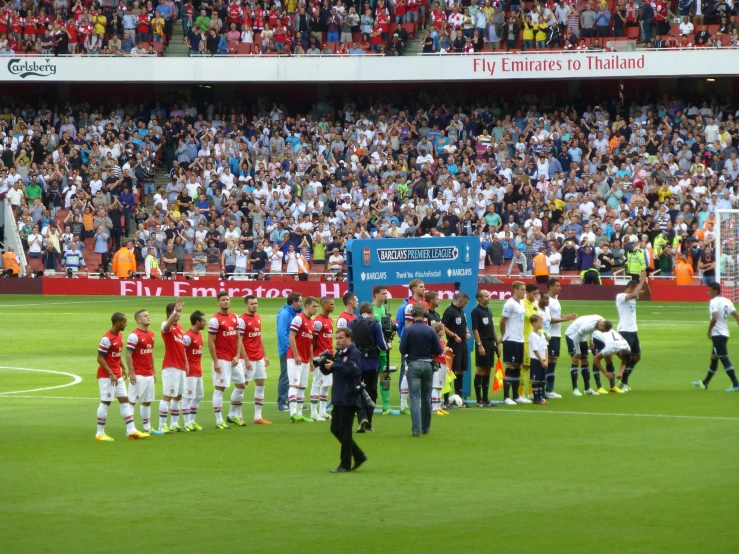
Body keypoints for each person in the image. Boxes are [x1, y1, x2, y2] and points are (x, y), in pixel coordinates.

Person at [94, 312, 149, 441]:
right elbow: (100, 358)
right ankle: (99, 433)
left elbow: (116, 355)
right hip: (107, 376)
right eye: (124, 322)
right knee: (106, 402)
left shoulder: (120, 335)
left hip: (116, 375)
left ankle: (131, 431)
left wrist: (123, 368)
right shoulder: (107, 339)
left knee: (124, 400)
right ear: (118, 323)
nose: (126, 324)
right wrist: (111, 374)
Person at [322, 327, 368, 473]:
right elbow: (331, 370)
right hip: (339, 396)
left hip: (348, 397)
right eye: (337, 338)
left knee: (344, 431)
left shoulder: (354, 353)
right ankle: (359, 455)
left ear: (349, 339)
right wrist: (324, 363)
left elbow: (354, 371)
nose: (338, 341)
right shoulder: (339, 354)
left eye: (341, 338)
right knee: (335, 429)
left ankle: (345, 464)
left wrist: (335, 365)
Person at [400, 303, 444, 437]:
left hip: (413, 365)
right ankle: (426, 427)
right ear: (425, 315)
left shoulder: (408, 330)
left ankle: (416, 429)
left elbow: (402, 349)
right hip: (428, 365)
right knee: (426, 397)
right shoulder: (431, 330)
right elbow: (439, 350)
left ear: (412, 315)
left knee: (414, 398)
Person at [208, 291, 249, 429]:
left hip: (233, 358)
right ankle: (219, 420)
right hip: (222, 358)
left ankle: (231, 415)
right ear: (218, 302)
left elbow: (238, 337)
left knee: (241, 385)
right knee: (220, 388)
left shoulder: (235, 317)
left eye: (227, 299)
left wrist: (238, 355)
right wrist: (215, 361)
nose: (226, 301)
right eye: (223, 300)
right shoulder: (215, 320)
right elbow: (210, 342)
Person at [350, 302, 388, 432]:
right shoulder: (375, 324)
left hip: (355, 363)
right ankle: (369, 422)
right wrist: (388, 345)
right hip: (371, 363)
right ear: (371, 312)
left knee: (358, 391)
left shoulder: (352, 323)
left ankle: (361, 418)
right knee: (371, 392)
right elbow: (382, 345)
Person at [693, 282, 739, 392]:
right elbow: (737, 316)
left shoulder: (714, 302)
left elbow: (714, 318)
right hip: (724, 333)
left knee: (724, 358)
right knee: (714, 358)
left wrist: (709, 331)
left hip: (717, 334)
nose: (708, 292)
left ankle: (736, 384)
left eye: (710, 290)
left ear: (716, 291)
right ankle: (705, 383)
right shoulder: (728, 301)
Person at [125, 309, 163, 435]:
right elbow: (128, 355)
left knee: (147, 401)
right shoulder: (134, 335)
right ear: (138, 320)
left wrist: (154, 371)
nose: (148, 317)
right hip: (138, 374)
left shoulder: (151, 334)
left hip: (148, 374)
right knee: (132, 401)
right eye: (145, 316)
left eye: (148, 315)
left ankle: (147, 428)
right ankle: (130, 430)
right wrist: (132, 373)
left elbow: (150, 353)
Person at [542, 279, 577, 399]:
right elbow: (549, 319)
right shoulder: (548, 301)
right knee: (550, 361)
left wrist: (566, 316)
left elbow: (556, 315)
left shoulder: (555, 299)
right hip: (550, 335)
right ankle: (548, 389)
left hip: (556, 335)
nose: (560, 287)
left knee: (553, 361)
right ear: (551, 287)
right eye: (558, 286)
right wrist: (566, 319)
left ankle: (547, 388)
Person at [615, 271, 649, 392]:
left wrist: (645, 283)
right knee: (626, 357)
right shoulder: (621, 297)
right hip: (624, 330)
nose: (638, 290)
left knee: (637, 356)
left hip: (633, 330)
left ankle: (623, 380)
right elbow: (635, 293)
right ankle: (624, 382)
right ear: (630, 287)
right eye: (636, 288)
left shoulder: (633, 297)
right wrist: (641, 282)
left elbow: (648, 294)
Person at [158, 299, 189, 433]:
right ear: (170, 313)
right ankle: (162, 425)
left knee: (179, 395)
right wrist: (176, 311)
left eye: (179, 311)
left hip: (181, 365)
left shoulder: (180, 328)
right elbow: (166, 327)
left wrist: (186, 362)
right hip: (171, 365)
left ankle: (174, 424)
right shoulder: (166, 325)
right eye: (175, 311)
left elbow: (182, 347)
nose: (178, 314)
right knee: (168, 395)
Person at [240, 295, 272, 425]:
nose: (255, 305)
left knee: (260, 385)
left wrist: (264, 355)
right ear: (246, 305)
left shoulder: (258, 318)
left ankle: (258, 416)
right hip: (247, 358)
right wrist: (246, 359)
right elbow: (239, 341)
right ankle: (238, 415)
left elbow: (259, 337)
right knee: (242, 386)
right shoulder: (242, 320)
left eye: (256, 303)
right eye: (252, 303)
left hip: (258, 357)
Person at [287, 296, 319, 422]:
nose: (316, 309)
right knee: (294, 384)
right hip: (295, 358)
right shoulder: (298, 319)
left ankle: (299, 413)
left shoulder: (312, 322)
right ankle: (293, 413)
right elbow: (291, 336)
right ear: (307, 306)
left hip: (305, 359)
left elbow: (310, 343)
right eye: (314, 306)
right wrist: (296, 355)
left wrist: (311, 360)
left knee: (302, 386)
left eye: (317, 307)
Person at [401, 279, 429, 412]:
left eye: (424, 286)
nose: (424, 289)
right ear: (413, 289)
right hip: (413, 346)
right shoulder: (409, 306)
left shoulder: (425, 304)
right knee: (407, 372)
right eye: (421, 287)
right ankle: (403, 404)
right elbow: (407, 329)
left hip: (424, 346)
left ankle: (423, 402)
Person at [565, 315, 610, 396]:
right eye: (602, 330)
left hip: (581, 336)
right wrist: (578, 352)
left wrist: (591, 340)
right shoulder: (588, 326)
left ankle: (587, 388)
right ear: (601, 325)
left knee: (585, 361)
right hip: (572, 335)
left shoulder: (601, 320)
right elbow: (575, 338)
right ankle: (575, 389)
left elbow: (593, 329)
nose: (602, 332)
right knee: (575, 361)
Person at [499, 281, 527, 405]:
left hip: (520, 339)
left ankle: (516, 396)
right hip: (511, 339)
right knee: (510, 366)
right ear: (515, 290)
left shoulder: (521, 303)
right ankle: (506, 397)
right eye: (522, 289)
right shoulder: (509, 303)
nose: (524, 292)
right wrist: (504, 335)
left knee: (518, 366)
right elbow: (502, 321)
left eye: (524, 289)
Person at [471, 289, 500, 406]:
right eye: (486, 296)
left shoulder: (489, 311)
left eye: (489, 295)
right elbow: (475, 329)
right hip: (482, 343)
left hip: (490, 344)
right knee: (481, 370)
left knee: (488, 370)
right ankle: (479, 400)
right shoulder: (476, 312)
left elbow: (492, 328)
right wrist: (479, 345)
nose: (489, 298)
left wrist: (497, 342)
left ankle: (486, 399)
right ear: (480, 299)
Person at [441, 291, 471, 401]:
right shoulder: (449, 311)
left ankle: (459, 398)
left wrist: (467, 332)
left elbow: (465, 323)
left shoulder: (461, 311)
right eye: (465, 302)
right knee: (451, 371)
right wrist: (454, 336)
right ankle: (446, 399)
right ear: (460, 300)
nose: (466, 304)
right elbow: (443, 326)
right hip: (453, 344)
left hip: (463, 344)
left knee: (461, 370)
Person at [310, 296, 335, 421]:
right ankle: (313, 413)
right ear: (324, 305)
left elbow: (329, 339)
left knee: (326, 385)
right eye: (331, 304)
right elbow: (312, 341)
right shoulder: (318, 321)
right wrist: (312, 358)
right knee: (317, 383)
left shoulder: (330, 319)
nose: (333, 306)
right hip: (319, 356)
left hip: (329, 356)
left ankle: (323, 411)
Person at [276, 292, 302, 411]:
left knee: (295, 376)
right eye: (300, 301)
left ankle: (293, 401)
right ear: (293, 302)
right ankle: (282, 402)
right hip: (287, 350)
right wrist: (289, 350)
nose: (301, 303)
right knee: (285, 376)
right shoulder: (284, 314)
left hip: (296, 350)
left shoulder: (297, 313)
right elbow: (282, 334)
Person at [182, 310, 207, 431]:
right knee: (187, 397)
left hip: (198, 371)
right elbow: (182, 351)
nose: (205, 323)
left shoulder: (199, 335)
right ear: (197, 322)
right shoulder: (187, 336)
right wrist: (186, 366)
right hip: (190, 372)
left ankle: (192, 420)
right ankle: (187, 423)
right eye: (203, 321)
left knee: (199, 396)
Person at [371, 286, 392, 414]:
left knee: (384, 377)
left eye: (386, 294)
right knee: (371, 378)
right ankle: (369, 404)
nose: (386, 296)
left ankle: (386, 407)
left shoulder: (384, 309)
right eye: (383, 294)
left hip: (384, 349)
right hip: (374, 350)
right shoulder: (371, 310)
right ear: (376, 295)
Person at [520, 283, 541, 402]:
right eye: (534, 294)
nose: (536, 296)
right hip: (525, 339)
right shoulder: (523, 303)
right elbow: (531, 317)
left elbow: (538, 320)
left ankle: (531, 392)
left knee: (533, 366)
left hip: (534, 339)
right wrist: (536, 308)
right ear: (527, 293)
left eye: (537, 294)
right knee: (525, 366)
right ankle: (521, 393)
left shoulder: (533, 304)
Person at [430, 322, 452, 415]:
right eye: (442, 329)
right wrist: (444, 350)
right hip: (436, 365)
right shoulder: (434, 341)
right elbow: (433, 353)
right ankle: (434, 408)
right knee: (435, 386)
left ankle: (439, 406)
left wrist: (449, 350)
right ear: (437, 331)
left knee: (440, 387)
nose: (443, 330)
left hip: (443, 364)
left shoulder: (442, 341)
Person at [528, 315, 549, 405]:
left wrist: (546, 361)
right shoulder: (532, 336)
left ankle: (540, 397)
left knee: (541, 380)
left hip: (543, 360)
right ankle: (536, 398)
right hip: (536, 360)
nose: (541, 324)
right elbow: (535, 350)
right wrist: (541, 361)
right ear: (534, 323)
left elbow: (545, 348)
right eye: (540, 322)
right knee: (535, 380)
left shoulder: (542, 335)